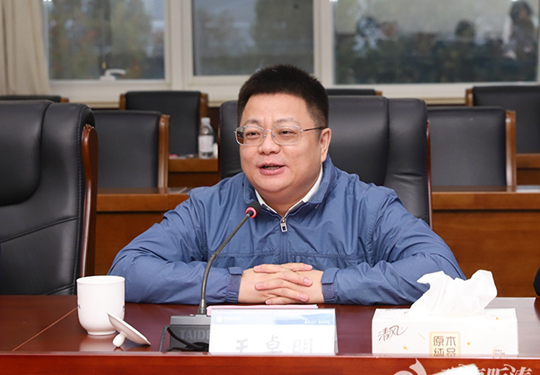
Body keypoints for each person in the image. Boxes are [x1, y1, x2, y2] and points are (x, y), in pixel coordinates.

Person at [109, 64, 464, 305]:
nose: (267, 147)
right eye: (252, 134)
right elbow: (127, 269)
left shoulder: (368, 206)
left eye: (286, 132)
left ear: (322, 143)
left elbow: (444, 272)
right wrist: (235, 285)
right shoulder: (208, 207)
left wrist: (326, 286)